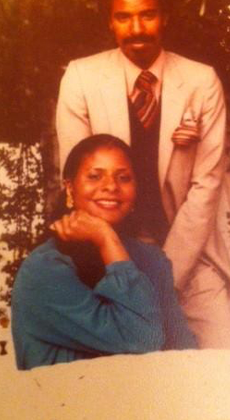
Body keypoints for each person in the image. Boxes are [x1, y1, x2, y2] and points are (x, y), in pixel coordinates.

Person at [56, 0, 230, 348]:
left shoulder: (200, 80)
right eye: (124, 17)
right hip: (109, 251)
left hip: (189, 255)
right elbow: (82, 181)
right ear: (110, 22)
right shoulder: (81, 77)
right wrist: (119, 267)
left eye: (148, 14)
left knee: (220, 370)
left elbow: (205, 184)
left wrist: (166, 275)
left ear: (165, 18)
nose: (137, 28)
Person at [11, 134, 196, 370]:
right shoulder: (43, 269)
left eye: (124, 178)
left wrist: (107, 240)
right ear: (69, 188)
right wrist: (106, 237)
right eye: (94, 176)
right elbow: (142, 339)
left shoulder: (152, 260)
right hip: (70, 403)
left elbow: (182, 351)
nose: (111, 186)